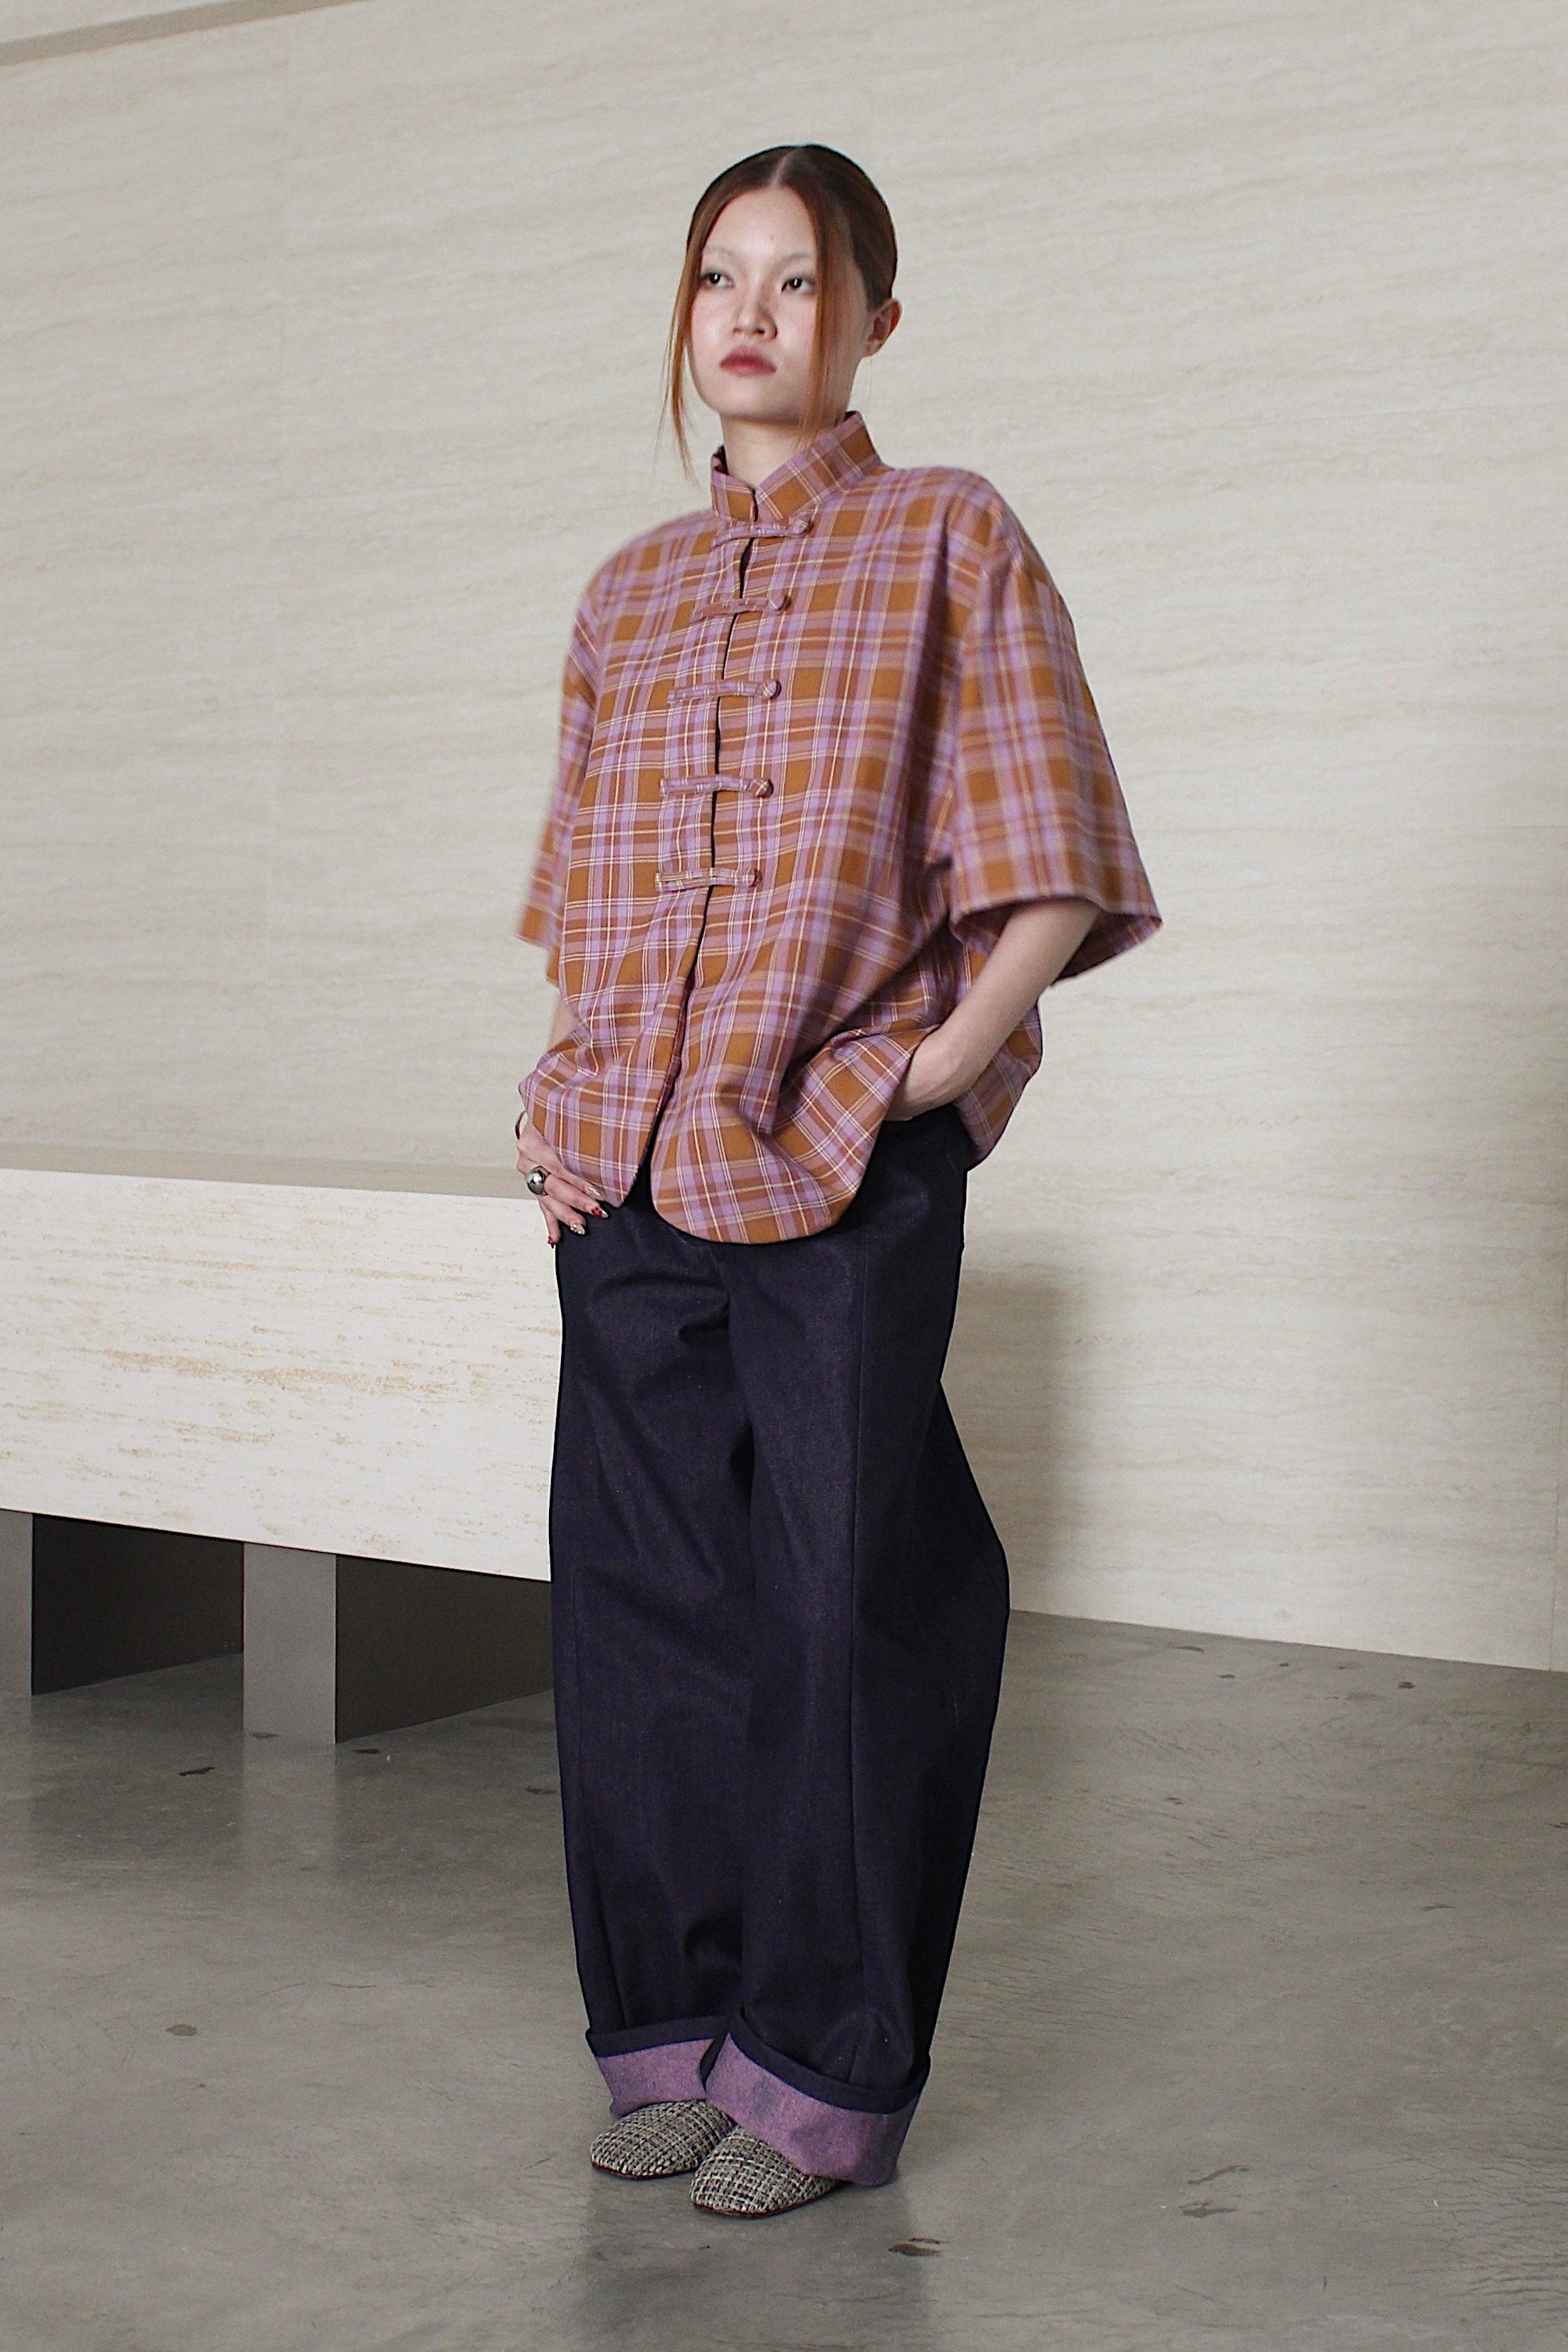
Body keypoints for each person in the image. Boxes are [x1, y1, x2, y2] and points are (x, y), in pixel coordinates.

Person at [511, 143, 1161, 2219]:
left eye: (800, 281)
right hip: (627, 1171)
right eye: (721, 276)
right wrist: (557, 1102)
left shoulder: (950, 534)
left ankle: (817, 2069)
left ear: (876, 318)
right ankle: (670, 2033)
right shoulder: (624, 590)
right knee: (643, 1611)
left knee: (848, 1596)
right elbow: (587, 893)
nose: (752, 317)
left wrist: (938, 1075)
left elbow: (1055, 850)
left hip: (840, 1155)